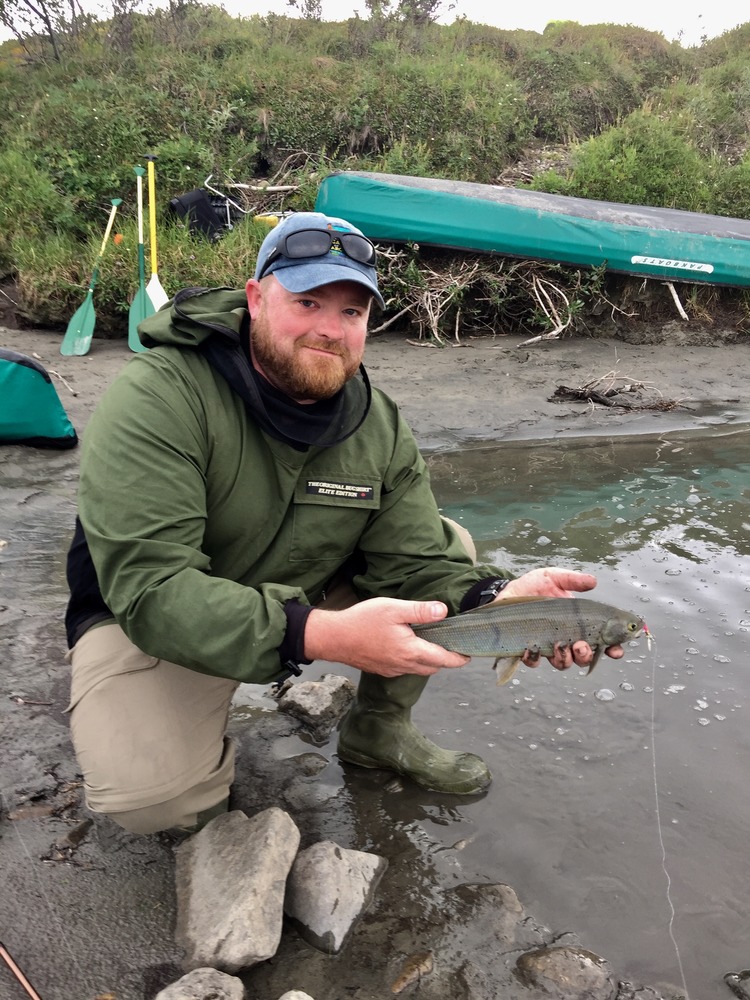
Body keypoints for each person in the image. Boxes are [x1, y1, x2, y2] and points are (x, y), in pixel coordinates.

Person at [64, 211, 622, 836]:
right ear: (255, 298)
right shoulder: (159, 395)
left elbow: (416, 559)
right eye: (307, 302)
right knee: (153, 803)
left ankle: (378, 729)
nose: (330, 330)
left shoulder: (376, 421)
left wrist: (495, 598)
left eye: (352, 312)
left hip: (297, 592)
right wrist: (318, 635)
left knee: (455, 548)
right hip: (149, 616)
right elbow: (152, 588)